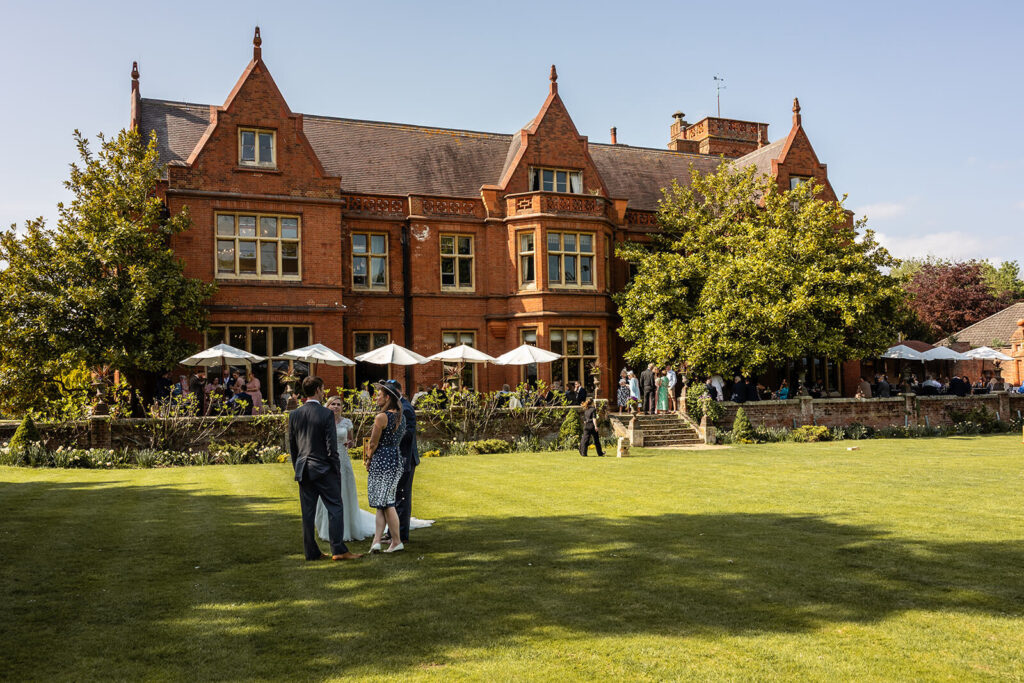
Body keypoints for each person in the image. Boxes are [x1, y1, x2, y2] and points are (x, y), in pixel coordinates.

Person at [288, 376, 360, 562]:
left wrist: (298, 467)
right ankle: (338, 550)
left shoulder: (294, 414)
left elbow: (293, 447)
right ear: (319, 390)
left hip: (304, 468)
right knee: (335, 507)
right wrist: (335, 468)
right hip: (324, 468)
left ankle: (311, 553)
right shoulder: (325, 414)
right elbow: (331, 447)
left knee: (308, 513)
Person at [315, 396, 374, 541]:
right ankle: (327, 527)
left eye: (338, 404)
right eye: (332, 404)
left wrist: (350, 443)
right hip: (327, 460)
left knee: (345, 490)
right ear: (327, 406)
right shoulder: (322, 422)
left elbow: (351, 441)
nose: (336, 407)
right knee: (329, 491)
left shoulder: (347, 422)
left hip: (343, 460)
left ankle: (348, 526)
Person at [364, 381, 406, 553]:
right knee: (382, 502)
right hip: (395, 459)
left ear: (387, 397)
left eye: (379, 395)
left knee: (387, 503)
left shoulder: (381, 417)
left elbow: (373, 443)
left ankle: (396, 541)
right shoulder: (401, 417)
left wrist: (368, 459)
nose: (376, 398)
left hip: (382, 460)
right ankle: (376, 541)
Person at [389, 380, 432, 544]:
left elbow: (407, 434)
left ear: (398, 391)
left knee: (402, 498)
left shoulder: (405, 408)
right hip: (398, 457)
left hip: (405, 458)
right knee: (394, 497)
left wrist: (388, 434)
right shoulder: (397, 407)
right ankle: (393, 532)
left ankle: (401, 535)